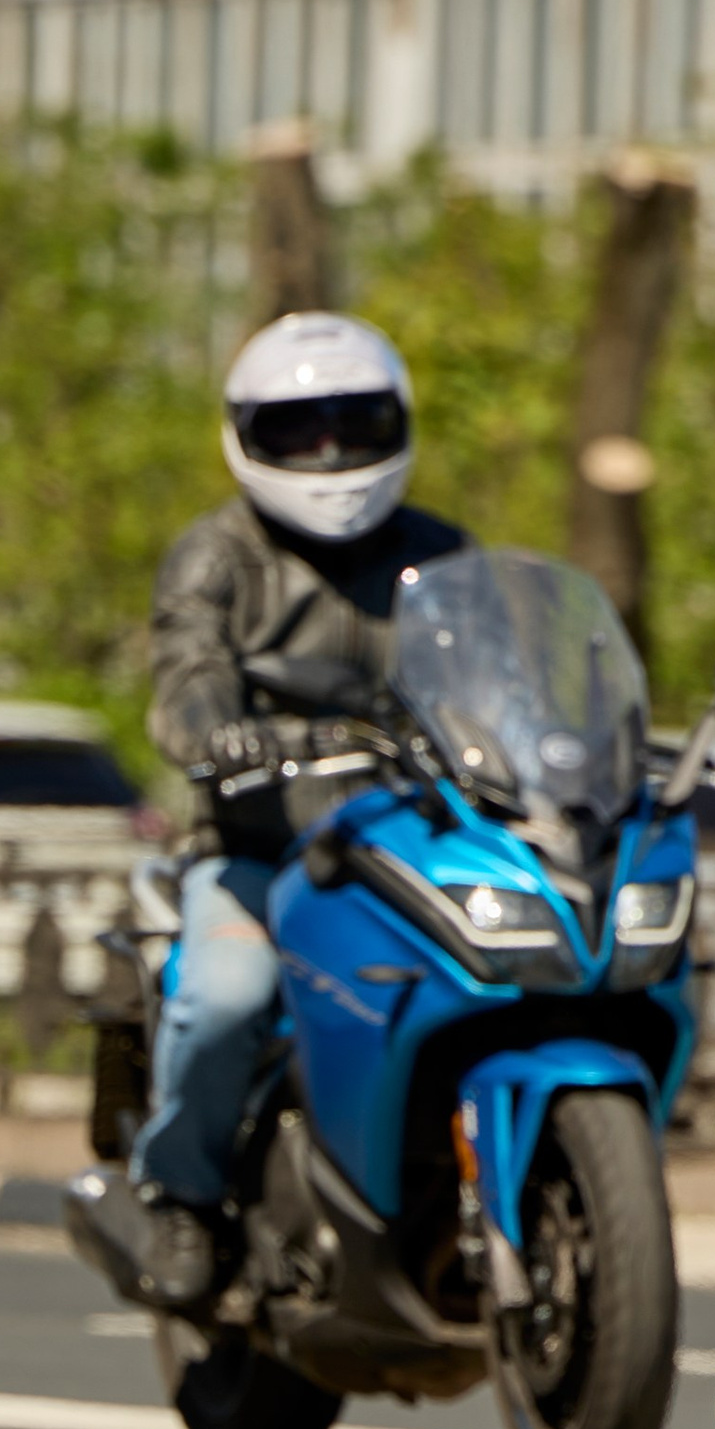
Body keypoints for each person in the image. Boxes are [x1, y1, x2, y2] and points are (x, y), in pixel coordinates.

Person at [120, 311, 468, 1307]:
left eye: (353, 423)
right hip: (259, 850)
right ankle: (182, 1197)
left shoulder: (440, 553)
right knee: (228, 995)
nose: (327, 451)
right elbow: (187, 673)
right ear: (244, 433)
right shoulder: (215, 554)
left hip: (411, 850)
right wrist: (217, 734)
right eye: (297, 428)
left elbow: (499, 672)